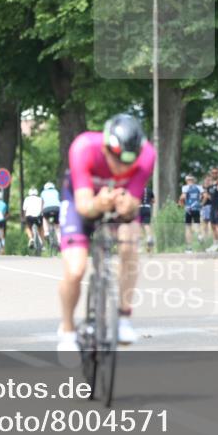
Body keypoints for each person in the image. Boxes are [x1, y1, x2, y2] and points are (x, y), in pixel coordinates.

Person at [57, 113, 156, 352]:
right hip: (82, 201)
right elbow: (83, 206)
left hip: (117, 200)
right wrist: (98, 204)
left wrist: (128, 206)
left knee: (130, 244)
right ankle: (68, 330)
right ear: (106, 147)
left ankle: (123, 317)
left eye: (127, 162)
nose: (122, 167)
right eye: (117, 160)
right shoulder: (84, 147)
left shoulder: (147, 155)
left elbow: (133, 203)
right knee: (76, 269)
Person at [179, 174, 203, 253]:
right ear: (193, 180)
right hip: (196, 208)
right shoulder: (199, 187)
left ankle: (189, 248)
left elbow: (183, 197)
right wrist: (201, 203)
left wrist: (181, 203)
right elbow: (204, 196)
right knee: (197, 224)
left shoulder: (185, 187)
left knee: (188, 228)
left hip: (188, 209)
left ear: (187, 180)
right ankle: (199, 236)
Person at [204, 167, 218, 252]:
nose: (214, 174)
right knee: (213, 226)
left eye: (216, 172)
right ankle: (215, 243)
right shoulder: (211, 184)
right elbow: (210, 196)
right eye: (213, 173)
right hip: (212, 207)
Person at [40, 181, 61, 246]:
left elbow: (42, 203)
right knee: (57, 226)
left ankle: (46, 232)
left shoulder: (43, 193)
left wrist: (41, 211)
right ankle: (59, 240)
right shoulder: (56, 192)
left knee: (44, 218)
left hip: (47, 209)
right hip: (56, 208)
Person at [139, 185, 154, 250]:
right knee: (147, 225)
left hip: (139, 208)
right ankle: (149, 238)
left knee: (139, 226)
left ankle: (140, 244)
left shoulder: (138, 189)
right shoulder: (150, 190)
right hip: (147, 208)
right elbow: (153, 200)